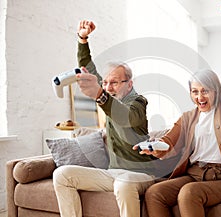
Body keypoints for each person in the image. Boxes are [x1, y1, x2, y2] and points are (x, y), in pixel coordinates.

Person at [134, 0, 221, 216]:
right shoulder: (188, 117)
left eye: (205, 91)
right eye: (195, 92)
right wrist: (154, 147)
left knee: (188, 194)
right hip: (194, 174)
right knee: (155, 193)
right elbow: (168, 141)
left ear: (216, 90)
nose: (200, 96)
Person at [52, 20, 158, 217]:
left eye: (114, 82)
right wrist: (83, 39)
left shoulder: (138, 102)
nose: (108, 87)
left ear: (129, 84)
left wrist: (100, 94)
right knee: (62, 175)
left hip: (140, 174)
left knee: (124, 184)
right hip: (112, 173)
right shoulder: (110, 97)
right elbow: (87, 70)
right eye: (106, 83)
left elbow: (126, 117)